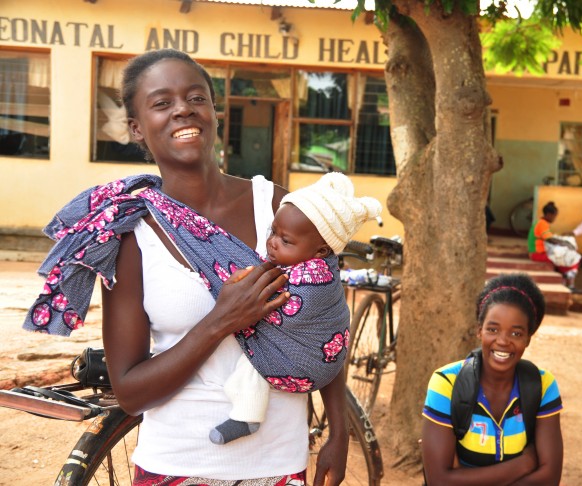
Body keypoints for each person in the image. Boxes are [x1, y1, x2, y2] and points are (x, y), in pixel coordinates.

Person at [22, 49, 348, 486]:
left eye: (195, 97)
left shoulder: (276, 207)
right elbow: (131, 392)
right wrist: (221, 320)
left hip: (278, 462)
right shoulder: (130, 236)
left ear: (214, 111)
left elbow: (325, 322)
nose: (182, 110)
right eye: (161, 103)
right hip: (176, 465)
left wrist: (339, 429)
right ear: (137, 128)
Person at [211, 172, 381, 444]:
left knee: (250, 369)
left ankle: (247, 416)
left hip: (303, 364)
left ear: (321, 252)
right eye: (273, 232)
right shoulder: (299, 263)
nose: (272, 242)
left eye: (285, 240)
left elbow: (290, 312)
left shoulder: (316, 279)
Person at [421, 274, 564, 485]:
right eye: (492, 329)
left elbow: (549, 477)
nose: (503, 341)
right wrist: (524, 464)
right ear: (480, 331)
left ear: (528, 339)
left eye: (516, 333)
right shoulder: (446, 383)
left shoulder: (542, 386)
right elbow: (439, 480)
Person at [528, 201, 582, 293]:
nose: (555, 218)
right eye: (554, 216)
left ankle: (567, 283)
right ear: (549, 214)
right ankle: (571, 285)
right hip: (537, 254)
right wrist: (565, 243)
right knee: (572, 258)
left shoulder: (540, 222)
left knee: (566, 259)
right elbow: (549, 239)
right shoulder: (542, 224)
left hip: (539, 253)